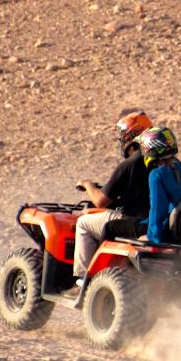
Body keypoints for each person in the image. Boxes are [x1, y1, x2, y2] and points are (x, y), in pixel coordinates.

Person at [72, 108, 153, 293]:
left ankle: (83, 280)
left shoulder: (129, 164)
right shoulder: (158, 160)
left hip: (130, 220)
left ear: (130, 137)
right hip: (150, 220)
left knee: (84, 223)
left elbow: (100, 201)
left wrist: (87, 185)